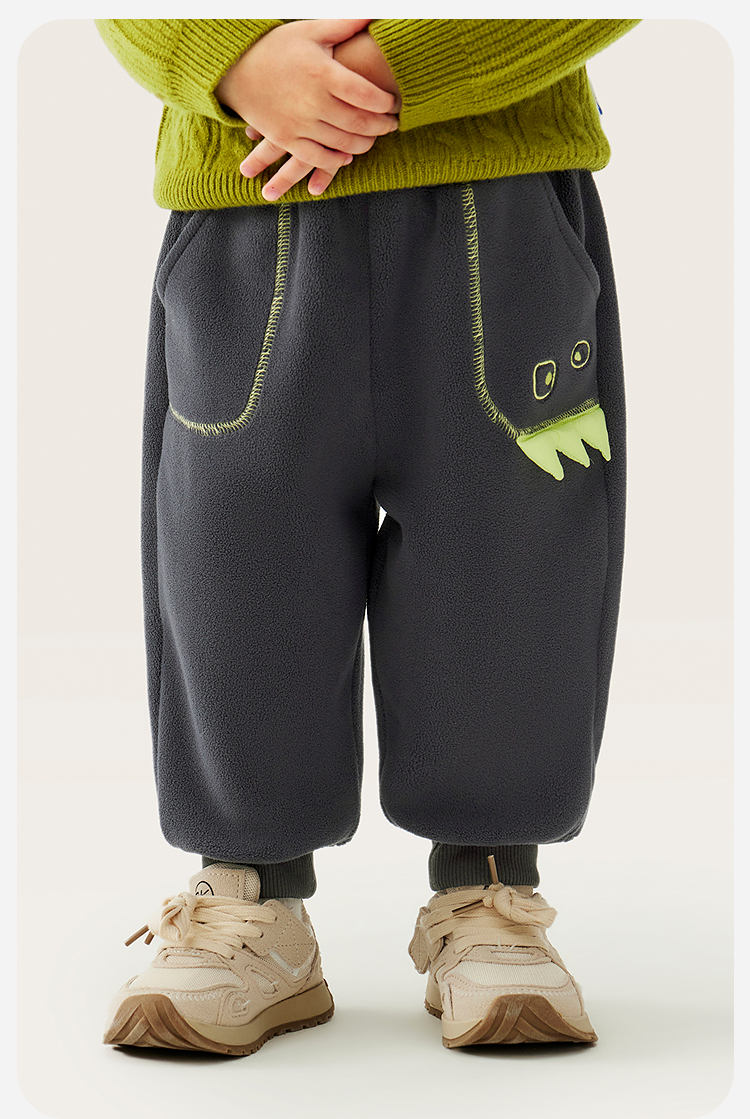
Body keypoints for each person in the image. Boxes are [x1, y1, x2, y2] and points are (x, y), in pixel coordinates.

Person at [95, 17, 641, 1054]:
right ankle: (248, 896)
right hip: (248, 190)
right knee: (234, 557)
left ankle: (488, 893)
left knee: (508, 557)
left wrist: (391, 70)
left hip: (498, 188)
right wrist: (225, 58)